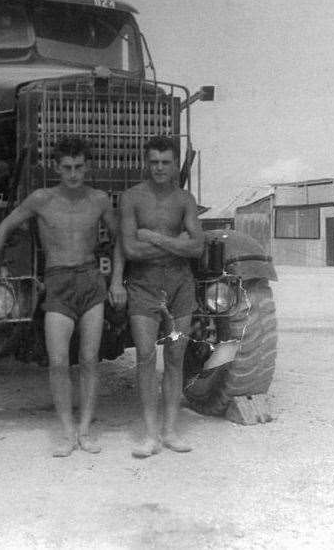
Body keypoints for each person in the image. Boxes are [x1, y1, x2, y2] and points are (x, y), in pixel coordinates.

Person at [0, 136, 126, 457]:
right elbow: (5, 227)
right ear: (56, 168)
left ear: (88, 167)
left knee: (88, 360)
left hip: (90, 281)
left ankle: (85, 430)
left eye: (79, 167)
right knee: (58, 363)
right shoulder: (41, 199)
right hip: (57, 283)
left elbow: (119, 240)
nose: (73, 174)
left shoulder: (98, 200)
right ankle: (67, 433)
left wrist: (117, 281)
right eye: (67, 167)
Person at [119, 135, 205, 458]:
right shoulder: (132, 198)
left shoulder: (185, 200)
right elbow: (129, 248)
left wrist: (152, 237)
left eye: (165, 162)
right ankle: (150, 434)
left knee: (175, 356)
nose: (159, 168)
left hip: (181, 286)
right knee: (144, 356)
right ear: (146, 161)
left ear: (174, 163)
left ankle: (170, 431)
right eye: (153, 161)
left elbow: (197, 247)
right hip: (143, 286)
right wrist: (175, 243)